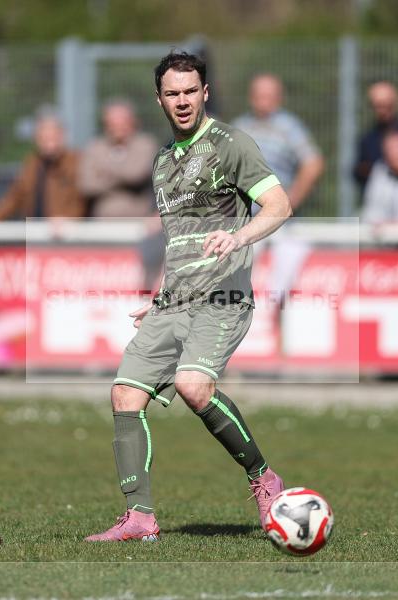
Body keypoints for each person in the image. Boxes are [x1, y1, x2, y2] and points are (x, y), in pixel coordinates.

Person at [85, 51, 293, 542]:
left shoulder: (231, 145)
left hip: (222, 297)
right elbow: (178, 242)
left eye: (190, 91)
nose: (182, 101)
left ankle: (264, 478)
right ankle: (139, 518)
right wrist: (160, 297)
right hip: (174, 301)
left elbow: (279, 205)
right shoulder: (162, 162)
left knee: (194, 387)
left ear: (206, 93)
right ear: (160, 99)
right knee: (124, 394)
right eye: (172, 93)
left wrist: (240, 237)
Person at [232, 73, 324, 329]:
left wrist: (292, 198)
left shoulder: (289, 127)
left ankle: (275, 323)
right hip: (246, 217)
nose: (264, 100)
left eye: (270, 95)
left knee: (288, 261)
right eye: (260, 95)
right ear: (251, 97)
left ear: (279, 98)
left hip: (278, 218)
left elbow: (313, 162)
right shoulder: (240, 126)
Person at [0, 107, 86, 222]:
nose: (48, 143)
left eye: (52, 137)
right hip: (35, 231)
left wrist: (69, 218)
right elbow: (15, 196)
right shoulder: (32, 163)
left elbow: (83, 199)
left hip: (64, 233)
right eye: (43, 138)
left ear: (62, 136)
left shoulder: (75, 162)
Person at [79, 100, 158, 218]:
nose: (117, 127)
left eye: (122, 122)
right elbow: (87, 185)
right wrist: (123, 180)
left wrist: (103, 173)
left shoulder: (145, 144)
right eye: (112, 123)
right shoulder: (95, 148)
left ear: (132, 122)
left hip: (140, 222)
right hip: (102, 223)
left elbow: (136, 175)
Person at [353, 81, 398, 189]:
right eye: (377, 106)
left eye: (386, 105)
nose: (382, 111)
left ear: (396, 103)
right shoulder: (367, 139)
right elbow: (358, 173)